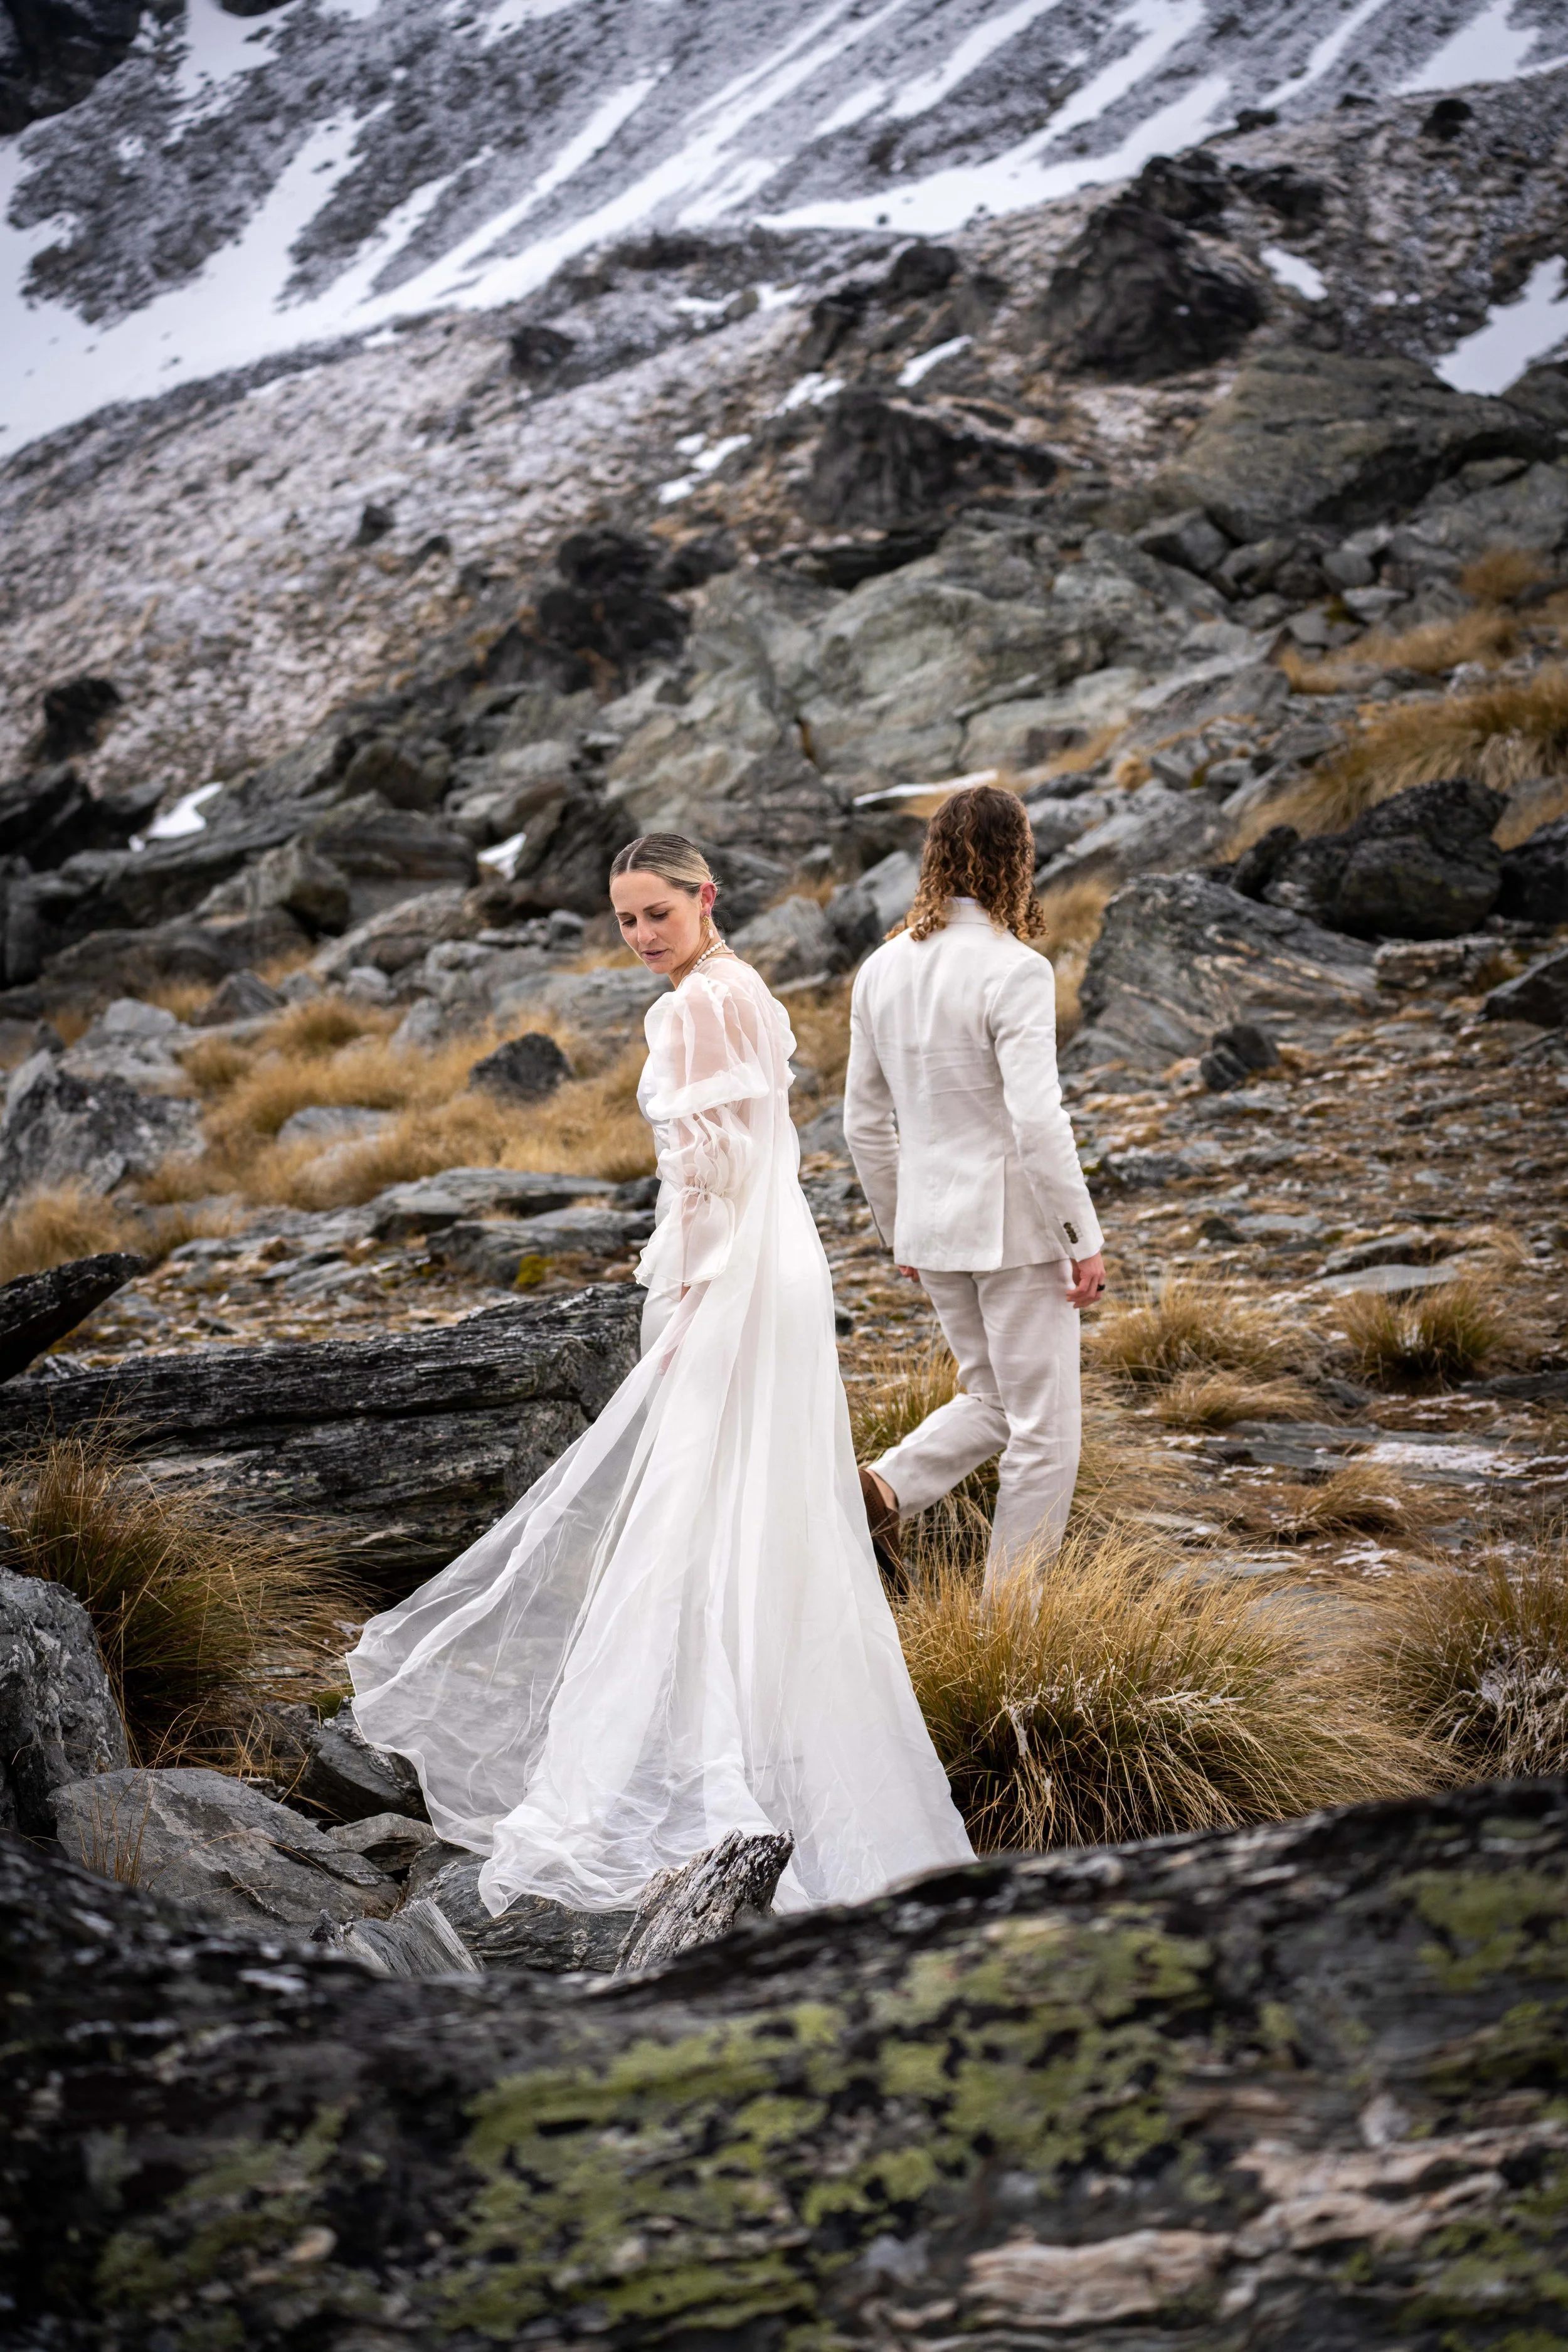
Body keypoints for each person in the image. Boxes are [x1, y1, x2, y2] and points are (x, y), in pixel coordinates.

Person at [349, 833, 973, 1919]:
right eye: (626, 917)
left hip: (728, 1275)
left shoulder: (688, 1009)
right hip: (781, 1270)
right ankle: (783, 1763)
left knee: (691, 1505)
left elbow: (709, 1174)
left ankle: (693, 1760)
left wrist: (678, 1297)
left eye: (657, 914)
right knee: (762, 1510)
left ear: (704, 898)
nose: (641, 936)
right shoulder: (749, 990)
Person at [843, 783, 1106, 1592]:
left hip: (933, 1228)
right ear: (1016, 860)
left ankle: (881, 1491)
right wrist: (1082, 1238)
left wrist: (900, 1233)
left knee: (992, 1400)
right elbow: (1037, 1120)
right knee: (1046, 1434)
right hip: (1016, 1234)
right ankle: (1012, 1633)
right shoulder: (1016, 969)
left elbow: (862, 1124)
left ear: (934, 860)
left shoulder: (880, 969)